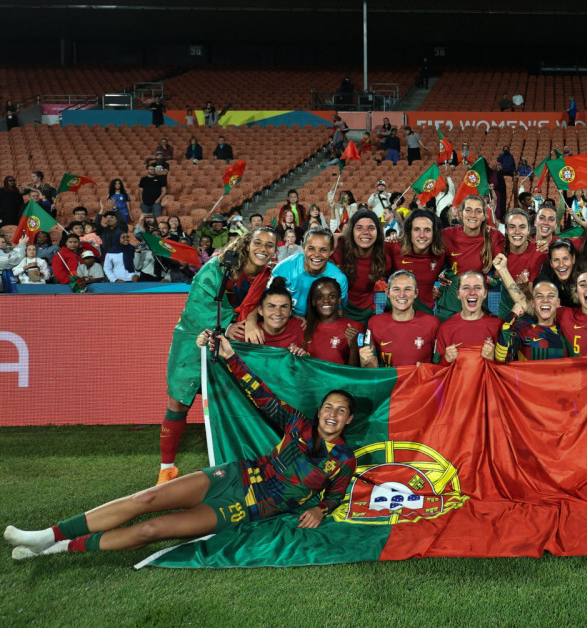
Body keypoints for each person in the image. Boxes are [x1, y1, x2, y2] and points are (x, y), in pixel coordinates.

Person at [6, 330, 356, 559]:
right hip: (235, 475)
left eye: (341, 411)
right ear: (320, 410)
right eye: (329, 406)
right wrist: (231, 357)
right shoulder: (297, 422)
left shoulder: (343, 459)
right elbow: (260, 395)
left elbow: (337, 495)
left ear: (348, 421)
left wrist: (321, 509)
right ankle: (46, 534)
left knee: (152, 529)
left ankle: (63, 547)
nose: (332, 414)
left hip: (246, 508)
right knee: (148, 498)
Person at [156, 227, 278, 484]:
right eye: (258, 242)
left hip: (231, 341)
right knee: (178, 401)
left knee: (232, 401)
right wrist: (229, 324)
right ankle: (167, 468)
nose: (263, 249)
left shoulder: (266, 275)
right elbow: (197, 306)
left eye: (269, 245)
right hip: (193, 337)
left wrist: (251, 319)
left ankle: (241, 462)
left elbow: (260, 304)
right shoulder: (219, 266)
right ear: (247, 243)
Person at [256, 227, 348, 325]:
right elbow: (266, 304)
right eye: (311, 248)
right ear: (303, 247)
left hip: (319, 323)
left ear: (331, 251)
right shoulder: (284, 269)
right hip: (284, 322)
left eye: (323, 250)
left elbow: (339, 312)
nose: (317, 254)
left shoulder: (339, 279)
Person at [438, 196, 504, 318]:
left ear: (484, 216)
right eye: (468, 210)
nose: (472, 215)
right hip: (449, 306)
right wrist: (439, 274)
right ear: (461, 214)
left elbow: (512, 256)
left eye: (478, 211)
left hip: (477, 307)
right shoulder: (447, 234)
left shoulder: (493, 236)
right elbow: (429, 260)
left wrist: (540, 244)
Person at [359, 271, 441, 368]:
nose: (402, 294)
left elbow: (439, 367)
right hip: (389, 382)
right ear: (387, 293)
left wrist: (429, 369)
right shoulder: (375, 322)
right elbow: (371, 369)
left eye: (408, 289)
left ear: (416, 293)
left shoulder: (432, 323)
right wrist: (364, 362)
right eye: (396, 289)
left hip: (419, 382)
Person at [332, 209, 399, 325]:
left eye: (371, 228)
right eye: (359, 228)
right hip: (340, 311)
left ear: (378, 232)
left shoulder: (384, 258)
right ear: (351, 231)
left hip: (369, 312)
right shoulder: (337, 250)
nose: (365, 232)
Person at [493, 268, 573, 361]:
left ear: (558, 303)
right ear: (532, 303)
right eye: (539, 296)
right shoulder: (521, 328)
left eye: (551, 296)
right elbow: (501, 358)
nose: (545, 300)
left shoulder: (566, 331)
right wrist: (512, 315)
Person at [435, 271, 501, 363]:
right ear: (458, 294)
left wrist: (493, 360)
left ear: (485, 293)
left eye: (477, 288)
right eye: (466, 288)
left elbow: (508, 371)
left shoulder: (498, 326)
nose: (472, 292)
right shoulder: (445, 328)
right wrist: (446, 360)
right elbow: (436, 371)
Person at [301, 277, 360, 366]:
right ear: (313, 301)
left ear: (339, 300)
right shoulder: (304, 326)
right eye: (320, 297)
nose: (326, 300)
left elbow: (357, 373)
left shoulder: (354, 327)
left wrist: (353, 348)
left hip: (340, 380)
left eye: (332, 296)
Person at [394, 209, 446, 311]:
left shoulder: (441, 252)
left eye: (427, 230)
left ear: (434, 232)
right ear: (409, 231)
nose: (422, 235)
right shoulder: (393, 247)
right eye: (416, 229)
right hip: (395, 315)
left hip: (425, 316)